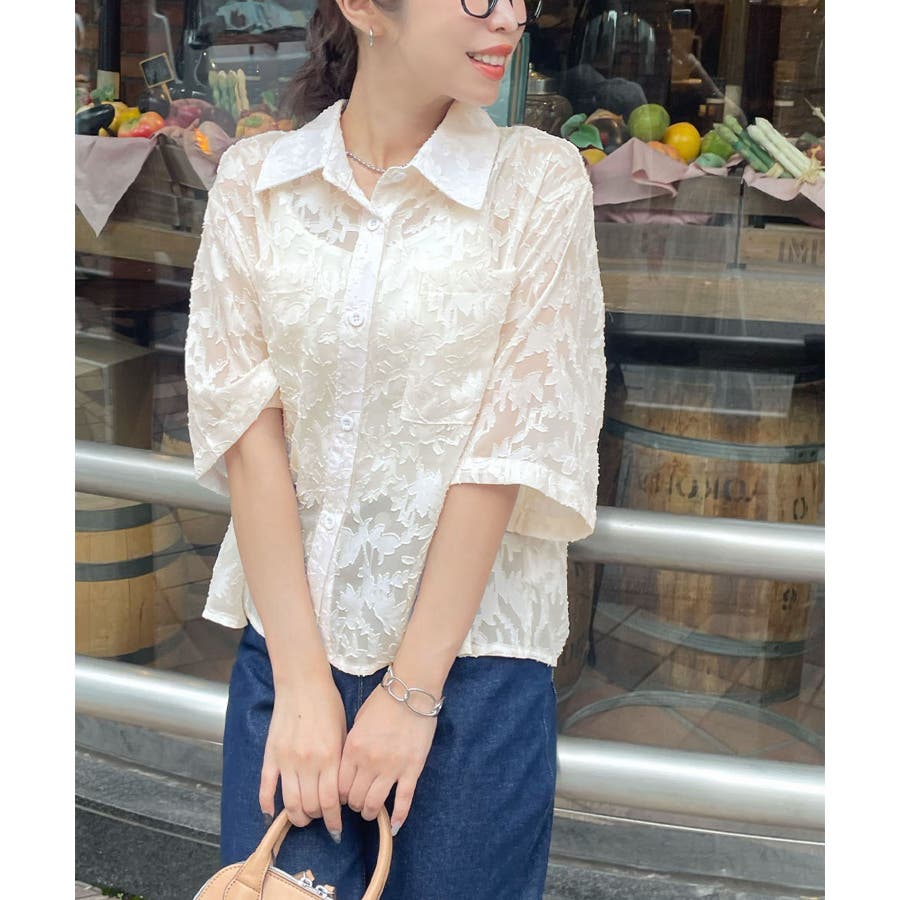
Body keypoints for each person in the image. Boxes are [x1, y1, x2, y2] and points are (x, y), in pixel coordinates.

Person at [184, 0, 606, 896]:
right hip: (291, 658)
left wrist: (411, 694)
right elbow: (249, 437)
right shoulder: (258, 183)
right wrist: (303, 685)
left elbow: (509, 446)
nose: (510, 17)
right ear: (365, 7)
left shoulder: (538, 182)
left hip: (474, 670)